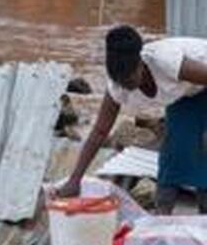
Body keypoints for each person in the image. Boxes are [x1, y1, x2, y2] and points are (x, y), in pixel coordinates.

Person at [56, 25, 207, 215]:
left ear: (140, 63)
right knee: (173, 155)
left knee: (202, 148)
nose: (127, 86)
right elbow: (100, 132)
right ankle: (161, 217)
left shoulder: (165, 61)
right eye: (121, 82)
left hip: (202, 82)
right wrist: (75, 180)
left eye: (130, 78)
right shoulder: (118, 87)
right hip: (184, 93)